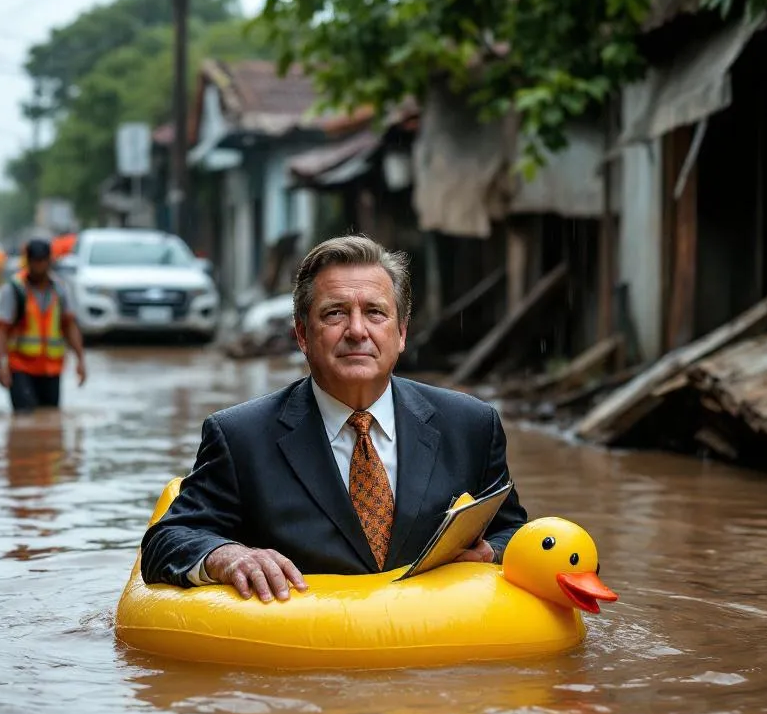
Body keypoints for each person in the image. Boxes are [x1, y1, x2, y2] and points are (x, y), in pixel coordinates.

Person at [141, 234, 527, 602]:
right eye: (335, 314)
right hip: (305, 653)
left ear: (402, 333)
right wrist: (226, 556)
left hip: (429, 650)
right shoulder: (240, 437)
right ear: (302, 335)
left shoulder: (471, 426)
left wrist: (491, 553)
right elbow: (167, 540)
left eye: (375, 313)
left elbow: (517, 533)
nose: (357, 331)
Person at [0, 238, 87, 413]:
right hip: (20, 367)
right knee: (24, 417)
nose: (39, 266)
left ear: (49, 261)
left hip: (51, 369)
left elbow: (70, 326)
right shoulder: (14, 290)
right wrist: (1, 364)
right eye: (35, 261)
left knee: (50, 418)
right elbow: (1, 330)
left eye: (43, 260)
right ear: (28, 261)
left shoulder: (60, 290)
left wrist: (80, 359)